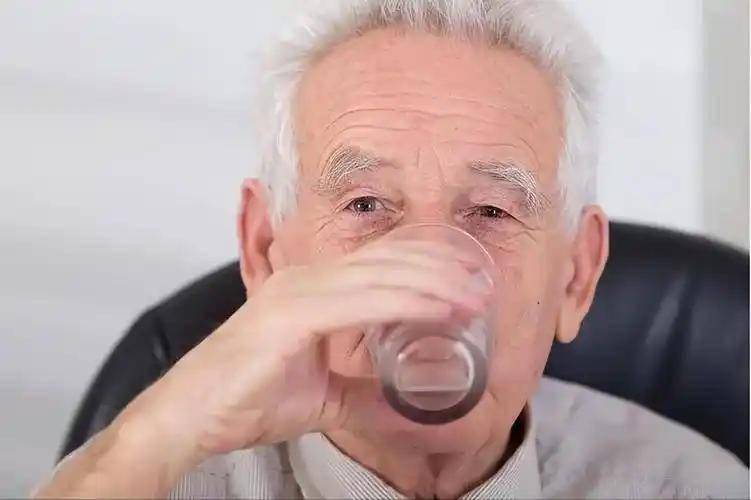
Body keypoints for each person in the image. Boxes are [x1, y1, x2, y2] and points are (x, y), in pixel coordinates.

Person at [34, 1, 748, 498]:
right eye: (366, 206)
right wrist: (154, 438)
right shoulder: (152, 482)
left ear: (577, 277)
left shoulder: (693, 487)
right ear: (264, 247)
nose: (427, 284)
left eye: (490, 211)